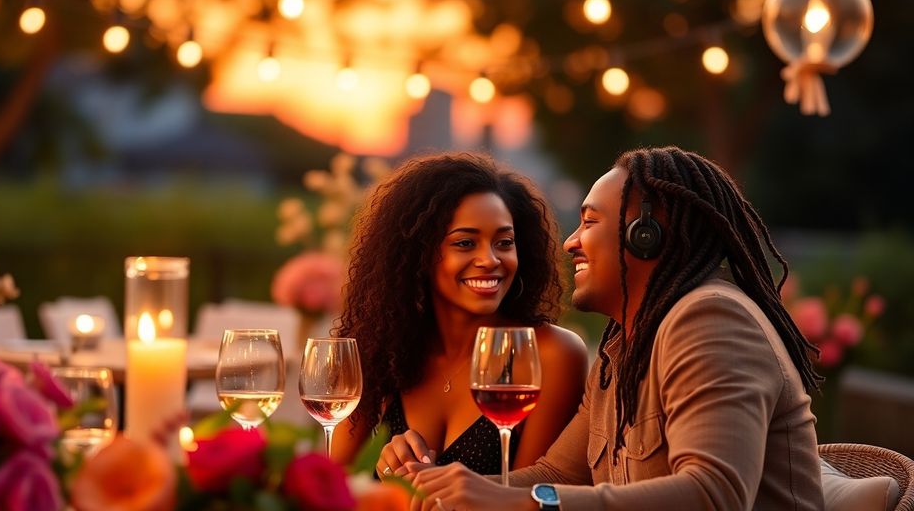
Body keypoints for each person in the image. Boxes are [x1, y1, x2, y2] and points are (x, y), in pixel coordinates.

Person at [405, 146, 824, 510]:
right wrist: (438, 487)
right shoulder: (624, 348)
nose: (570, 242)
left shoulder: (709, 318)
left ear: (646, 235)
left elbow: (715, 495)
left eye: (589, 222)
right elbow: (558, 474)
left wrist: (526, 503)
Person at [329, 152, 588, 477]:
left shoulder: (552, 354)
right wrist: (386, 470)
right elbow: (332, 486)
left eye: (504, 242)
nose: (490, 259)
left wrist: (435, 487)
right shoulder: (381, 351)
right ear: (417, 255)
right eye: (465, 243)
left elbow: (528, 497)